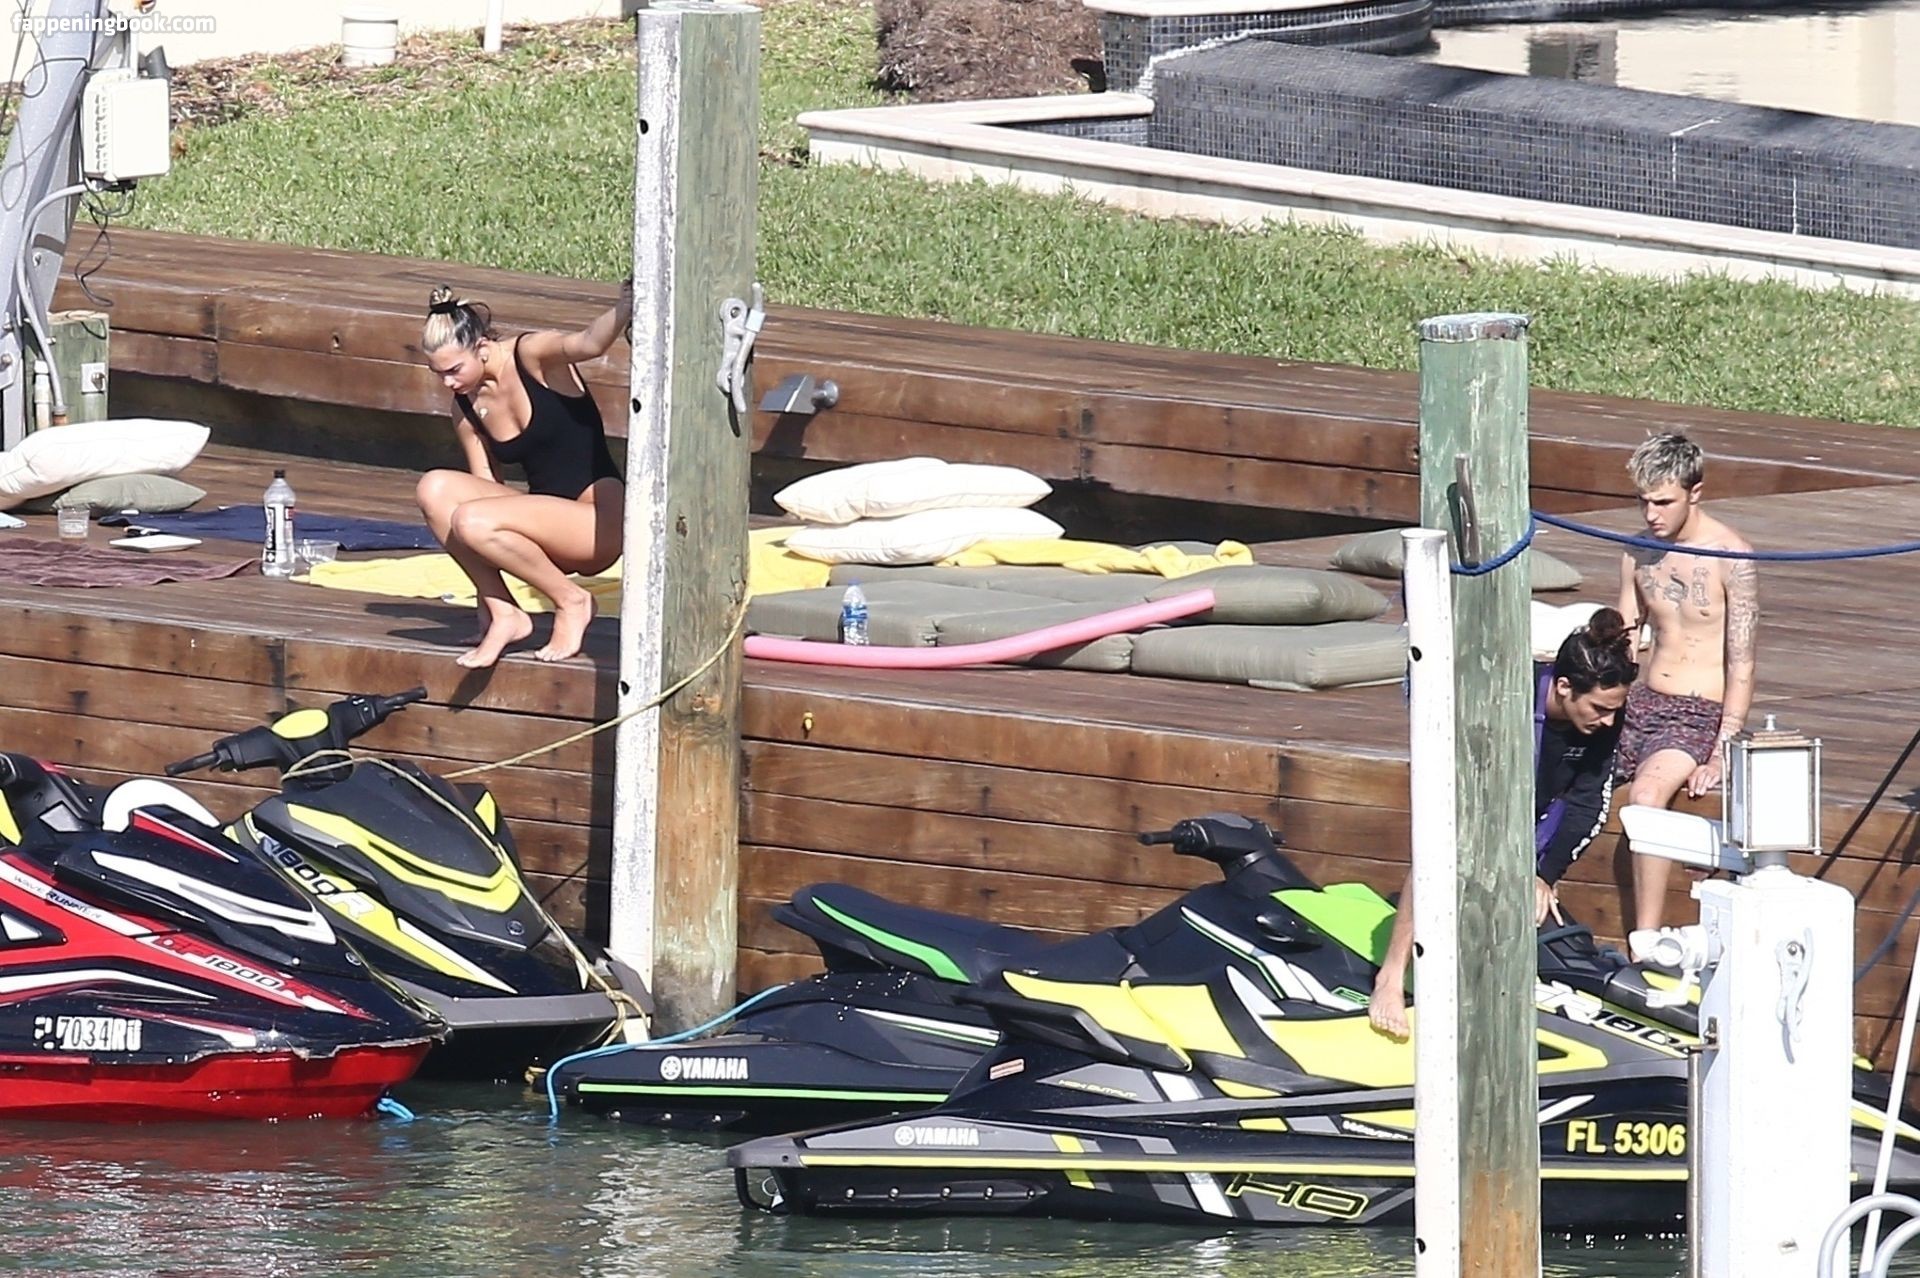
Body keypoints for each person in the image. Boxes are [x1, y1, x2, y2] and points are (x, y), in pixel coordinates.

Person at [1368, 609, 1637, 1040]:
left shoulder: (1606, 719)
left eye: (1614, 710)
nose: (1608, 720)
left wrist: (1544, 874)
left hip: (1538, 804)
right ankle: (1391, 976)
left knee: (1534, 899)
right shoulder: (1508, 694)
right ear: (1563, 687)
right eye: (1599, 708)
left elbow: (1588, 803)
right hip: (1470, 765)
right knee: (1443, 850)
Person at [415, 281, 632, 668]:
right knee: (434, 489)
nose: (447, 383)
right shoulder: (465, 406)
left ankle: (572, 601)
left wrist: (626, 306)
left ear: (482, 347)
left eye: (454, 370)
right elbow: (485, 490)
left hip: (597, 524)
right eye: (438, 373)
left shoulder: (531, 355)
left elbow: (589, 344)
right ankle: (504, 613)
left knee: (472, 519)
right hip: (545, 527)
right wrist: (485, 599)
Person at [1613, 431, 1758, 933]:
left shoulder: (1731, 556)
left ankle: (1645, 939)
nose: (1651, 514)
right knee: (1550, 770)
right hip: (1639, 700)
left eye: (1663, 502)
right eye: (1643, 501)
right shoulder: (1637, 550)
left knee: (1646, 796)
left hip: (1696, 712)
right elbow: (1625, 636)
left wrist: (1721, 752)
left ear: (1694, 493)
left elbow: (1742, 663)